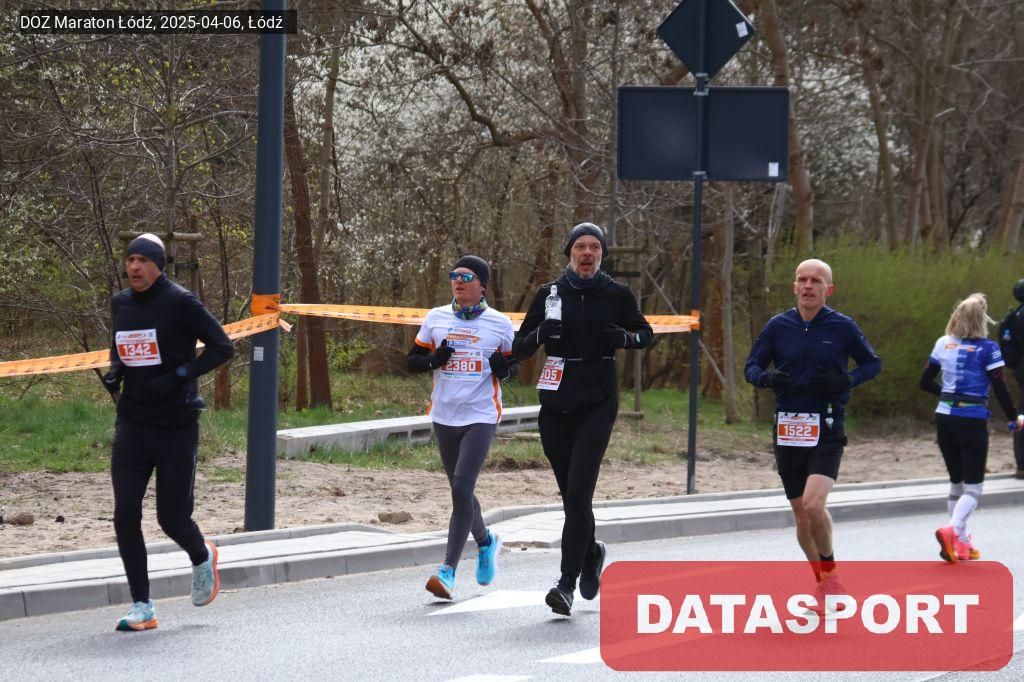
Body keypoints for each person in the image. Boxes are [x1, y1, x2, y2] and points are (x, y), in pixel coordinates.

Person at [513, 223, 653, 617]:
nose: (587, 253)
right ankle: (591, 553)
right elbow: (519, 347)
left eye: (594, 247)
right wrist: (539, 334)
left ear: (602, 254)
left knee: (578, 494)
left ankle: (565, 584)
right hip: (556, 404)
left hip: (597, 402)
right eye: (580, 247)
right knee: (572, 498)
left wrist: (624, 338)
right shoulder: (549, 294)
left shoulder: (616, 293)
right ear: (570, 253)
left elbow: (646, 334)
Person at [100, 234, 234, 631]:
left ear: (159, 265)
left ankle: (202, 555)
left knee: (172, 519)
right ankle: (142, 606)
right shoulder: (121, 303)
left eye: (142, 260)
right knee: (125, 514)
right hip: (132, 424)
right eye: (130, 260)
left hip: (176, 425)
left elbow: (222, 347)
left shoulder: (180, 302)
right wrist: (116, 371)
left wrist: (178, 375)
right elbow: (121, 346)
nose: (134, 267)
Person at [744, 258, 881, 609]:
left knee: (814, 503)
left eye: (815, 281)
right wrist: (768, 378)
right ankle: (824, 583)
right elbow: (751, 367)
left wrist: (846, 380)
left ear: (828, 289)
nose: (808, 286)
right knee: (802, 515)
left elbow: (872, 363)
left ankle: (831, 576)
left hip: (828, 425)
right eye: (802, 280)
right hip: (788, 428)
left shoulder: (842, 327)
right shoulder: (778, 326)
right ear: (794, 287)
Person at [407, 255, 518, 600]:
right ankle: (486, 541)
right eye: (454, 275)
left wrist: (503, 368)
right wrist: (433, 361)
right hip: (444, 415)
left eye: (467, 277)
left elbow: (513, 367)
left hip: (481, 415)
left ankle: (448, 571)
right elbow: (411, 361)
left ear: (482, 285)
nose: (458, 281)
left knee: (461, 486)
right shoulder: (436, 318)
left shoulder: (500, 323)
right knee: (461, 492)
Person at [918, 293, 1023, 563]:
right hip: (972, 419)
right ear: (981, 321)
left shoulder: (942, 343)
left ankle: (962, 542)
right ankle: (952, 530)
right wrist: (1013, 418)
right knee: (973, 488)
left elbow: (925, 382)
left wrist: (947, 395)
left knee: (957, 483)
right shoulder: (989, 349)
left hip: (944, 418)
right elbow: (1000, 387)